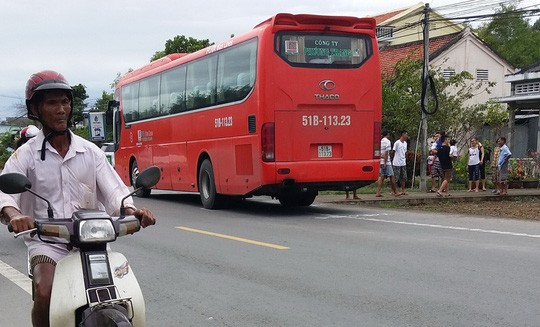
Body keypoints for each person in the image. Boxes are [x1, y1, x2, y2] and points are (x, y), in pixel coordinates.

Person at [0, 70, 157, 327]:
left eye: (65, 102)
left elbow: (115, 191)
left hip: (92, 243)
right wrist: (14, 215)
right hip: (47, 243)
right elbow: (5, 193)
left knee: (121, 295)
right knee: (45, 292)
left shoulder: (89, 151)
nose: (61, 109)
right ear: (36, 109)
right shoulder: (25, 155)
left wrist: (131, 210)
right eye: (52, 102)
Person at [375, 131, 399, 197]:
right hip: (386, 162)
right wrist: (385, 162)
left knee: (382, 177)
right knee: (392, 176)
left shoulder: (380, 142)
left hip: (381, 161)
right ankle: (395, 191)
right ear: (388, 135)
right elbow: (386, 152)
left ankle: (378, 192)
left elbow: (377, 152)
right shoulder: (387, 142)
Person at [392, 130, 408, 195]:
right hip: (396, 162)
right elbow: (393, 151)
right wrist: (393, 158)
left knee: (403, 177)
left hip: (403, 162)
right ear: (403, 134)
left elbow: (405, 152)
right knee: (395, 177)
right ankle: (393, 191)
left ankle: (403, 190)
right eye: (406, 134)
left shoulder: (405, 143)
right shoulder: (397, 143)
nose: (407, 136)